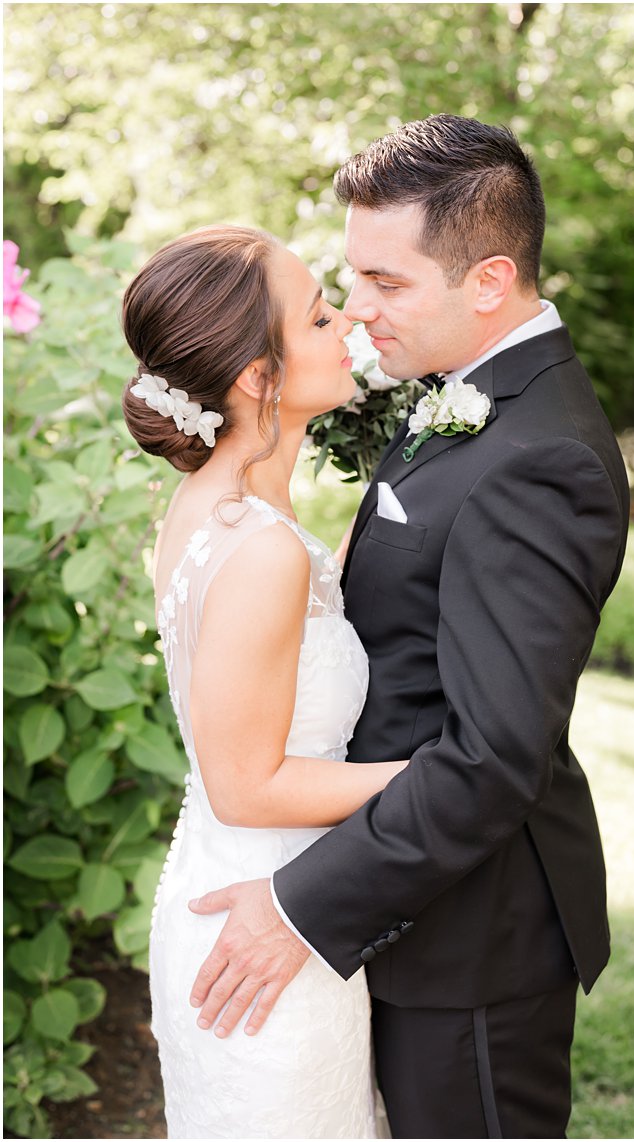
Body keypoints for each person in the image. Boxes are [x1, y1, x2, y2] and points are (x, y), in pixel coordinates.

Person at [183, 115, 630, 1138]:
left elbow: (493, 754)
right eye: (353, 278)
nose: (357, 310)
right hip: (417, 909)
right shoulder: (462, 397)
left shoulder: (539, 456)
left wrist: (302, 903)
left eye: (386, 283)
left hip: (473, 941)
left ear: (487, 281)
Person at [126, 224, 399, 1136]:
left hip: (250, 892)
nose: (349, 326)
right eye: (321, 318)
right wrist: (438, 780)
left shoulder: (215, 507)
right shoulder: (258, 547)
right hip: (263, 922)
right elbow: (248, 785)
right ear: (258, 377)